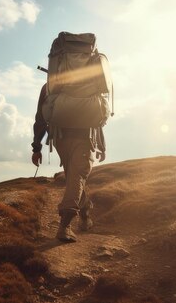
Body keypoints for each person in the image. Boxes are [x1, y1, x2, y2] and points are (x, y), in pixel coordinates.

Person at [32, 83, 106, 242]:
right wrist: (101, 145)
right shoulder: (91, 82)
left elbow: (40, 117)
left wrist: (36, 147)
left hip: (59, 138)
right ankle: (64, 226)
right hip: (85, 138)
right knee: (77, 177)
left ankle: (85, 214)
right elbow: (97, 117)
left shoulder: (50, 85)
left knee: (74, 177)